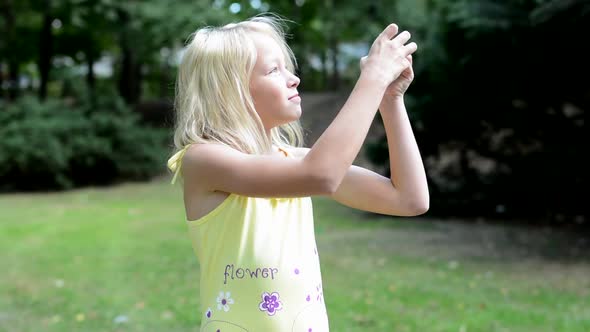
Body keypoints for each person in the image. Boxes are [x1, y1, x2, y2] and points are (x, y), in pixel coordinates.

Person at [166, 13, 428, 331]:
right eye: (273, 70)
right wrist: (371, 79)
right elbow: (322, 175)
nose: (293, 78)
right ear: (229, 90)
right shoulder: (204, 161)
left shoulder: (295, 162)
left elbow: (409, 199)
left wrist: (390, 99)